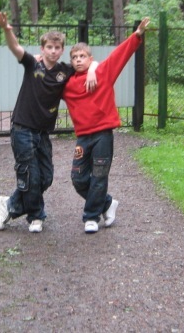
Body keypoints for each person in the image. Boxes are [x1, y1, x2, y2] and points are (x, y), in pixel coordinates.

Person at [0, 11, 97, 233]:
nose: (53, 51)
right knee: (30, 174)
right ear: (42, 49)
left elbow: (89, 62)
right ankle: (35, 217)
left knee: (46, 177)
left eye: (57, 47)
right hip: (22, 128)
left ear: (62, 50)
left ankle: (10, 204)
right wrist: (7, 30)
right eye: (49, 47)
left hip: (43, 132)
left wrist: (93, 71)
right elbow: (15, 48)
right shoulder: (33, 64)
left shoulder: (65, 71)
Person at [62, 17, 151, 233]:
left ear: (90, 58)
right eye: (74, 57)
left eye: (83, 56)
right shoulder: (67, 84)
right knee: (78, 178)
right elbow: (47, 76)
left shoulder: (103, 72)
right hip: (83, 137)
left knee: (99, 176)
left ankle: (91, 217)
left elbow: (119, 55)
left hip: (103, 135)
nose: (78, 60)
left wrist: (137, 35)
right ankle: (107, 203)